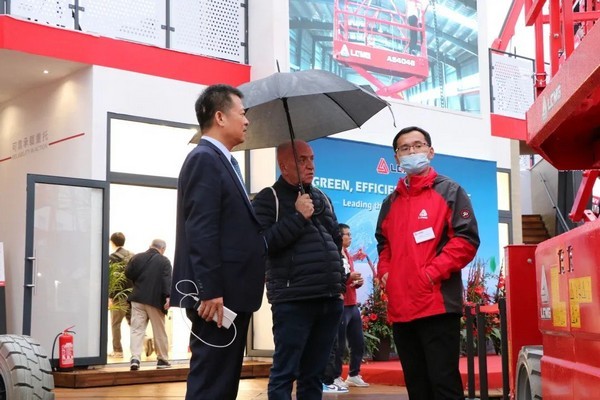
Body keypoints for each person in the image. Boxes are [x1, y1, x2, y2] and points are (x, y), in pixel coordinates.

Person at [170, 84, 266, 400]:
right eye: (242, 113)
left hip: (230, 294)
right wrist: (209, 290)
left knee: (222, 383)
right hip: (216, 299)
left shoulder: (224, 161)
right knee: (211, 383)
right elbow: (201, 229)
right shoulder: (205, 159)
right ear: (220, 117)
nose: (247, 121)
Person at [375, 126, 480, 400]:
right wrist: (385, 272)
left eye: (418, 145)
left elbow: (466, 240)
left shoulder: (450, 191)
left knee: (444, 385)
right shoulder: (390, 202)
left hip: (437, 305)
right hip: (402, 307)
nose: (412, 152)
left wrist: (430, 274)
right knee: (417, 386)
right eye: (404, 148)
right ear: (397, 158)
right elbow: (384, 244)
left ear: (430, 151)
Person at [252, 140, 346, 400]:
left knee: (314, 374)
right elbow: (261, 244)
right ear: (283, 166)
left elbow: (335, 241)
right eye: (302, 160)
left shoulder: (321, 197)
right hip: (293, 300)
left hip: (328, 298)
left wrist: (340, 283)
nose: (310, 165)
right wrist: (297, 218)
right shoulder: (268, 198)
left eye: (312, 158)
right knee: (285, 372)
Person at [125, 239, 173, 371]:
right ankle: (162, 360)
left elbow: (128, 273)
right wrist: (168, 297)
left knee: (137, 329)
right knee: (159, 330)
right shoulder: (164, 261)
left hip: (137, 299)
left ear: (150, 246)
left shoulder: (137, 257)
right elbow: (166, 280)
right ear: (163, 249)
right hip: (155, 300)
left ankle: (135, 359)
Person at [108, 232, 133, 358]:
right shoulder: (132, 256)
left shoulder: (112, 258)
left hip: (119, 296)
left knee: (115, 324)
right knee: (134, 323)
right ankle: (144, 342)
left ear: (112, 242)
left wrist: (110, 297)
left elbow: (113, 279)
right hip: (133, 295)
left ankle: (118, 351)